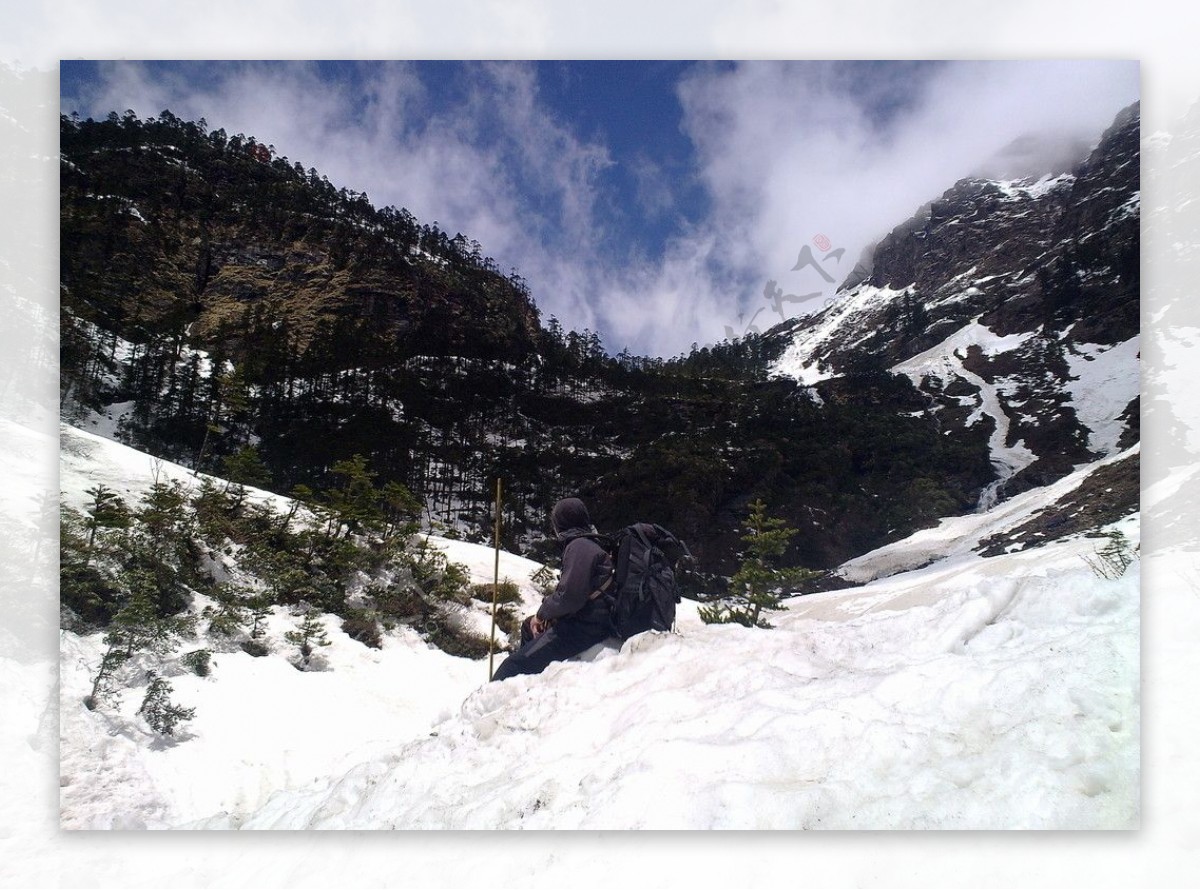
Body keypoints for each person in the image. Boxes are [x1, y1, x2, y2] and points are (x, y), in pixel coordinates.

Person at [491, 497, 613, 682]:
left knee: (512, 666)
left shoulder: (579, 546)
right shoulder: (589, 544)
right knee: (527, 626)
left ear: (561, 523)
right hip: (592, 619)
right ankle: (532, 682)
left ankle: (503, 694)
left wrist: (542, 615)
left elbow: (570, 597)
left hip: (585, 626)